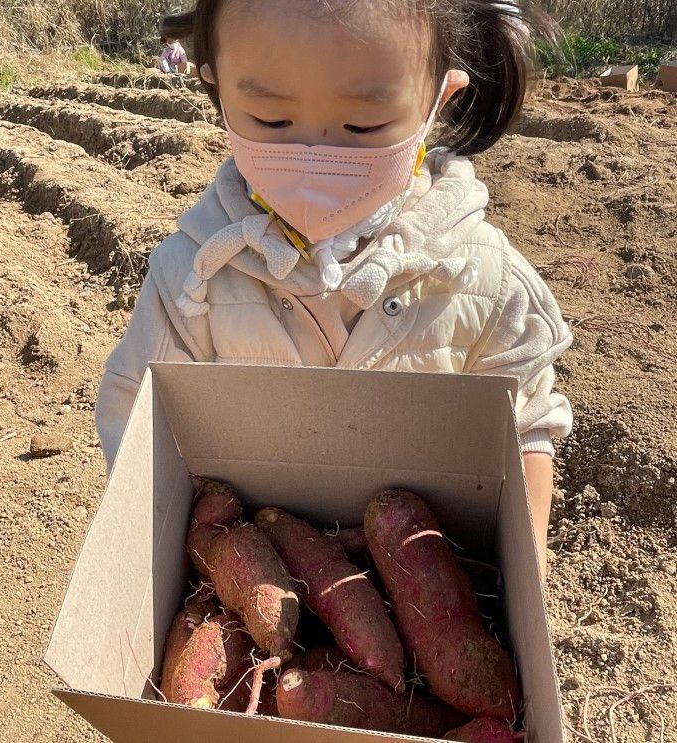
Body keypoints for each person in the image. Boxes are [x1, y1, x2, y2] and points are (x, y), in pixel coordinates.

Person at [96, 0, 572, 577]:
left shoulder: (484, 280)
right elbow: (139, 426)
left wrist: (530, 569)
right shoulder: (193, 279)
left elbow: (526, 425)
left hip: (435, 576)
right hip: (249, 575)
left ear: (437, 98)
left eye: (363, 126)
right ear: (216, 86)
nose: (315, 156)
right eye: (271, 120)